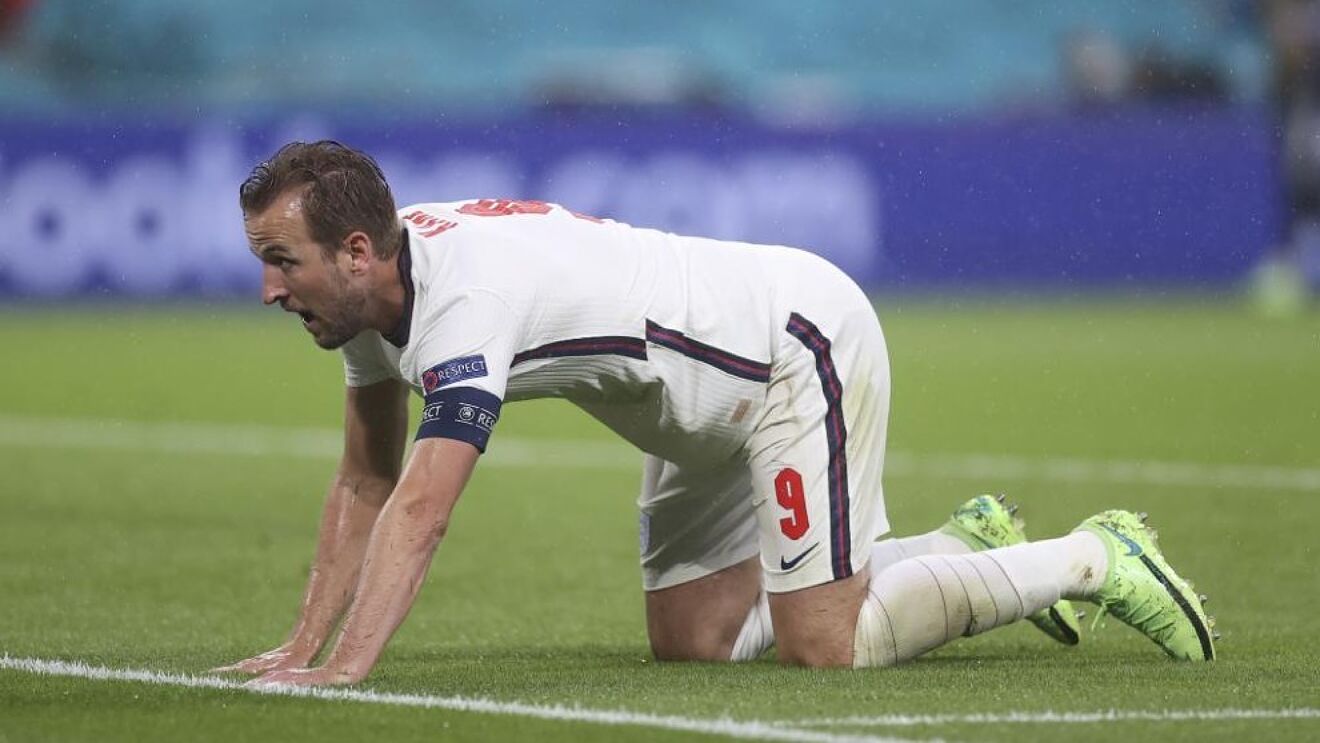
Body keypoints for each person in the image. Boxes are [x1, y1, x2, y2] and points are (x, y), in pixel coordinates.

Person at [214, 141, 1216, 687]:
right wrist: (299, 643)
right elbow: (365, 479)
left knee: (826, 646)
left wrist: (347, 669)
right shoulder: (369, 293)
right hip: (684, 411)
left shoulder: (461, 311)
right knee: (697, 638)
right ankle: (957, 541)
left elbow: (423, 509)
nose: (268, 287)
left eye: (280, 260)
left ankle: (1088, 556)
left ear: (354, 250)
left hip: (787, 349)